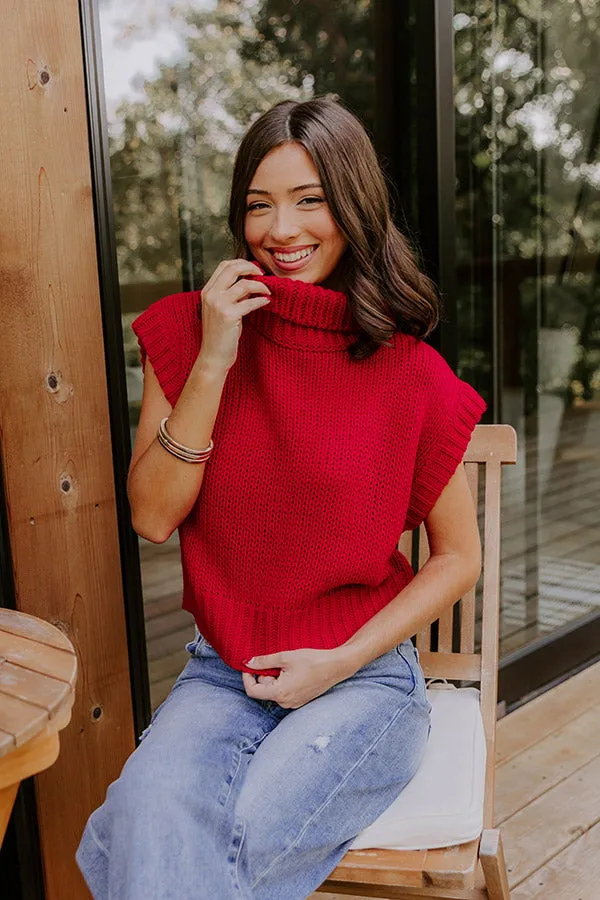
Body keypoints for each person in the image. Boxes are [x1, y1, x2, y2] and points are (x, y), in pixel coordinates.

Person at [76, 97, 485, 900]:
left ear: (353, 208)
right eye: (259, 204)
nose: (282, 229)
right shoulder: (189, 333)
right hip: (223, 673)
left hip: (363, 677)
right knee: (153, 816)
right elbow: (152, 517)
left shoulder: (411, 371)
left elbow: (458, 558)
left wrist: (338, 662)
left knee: (199, 840)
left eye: (310, 200)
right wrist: (214, 359)